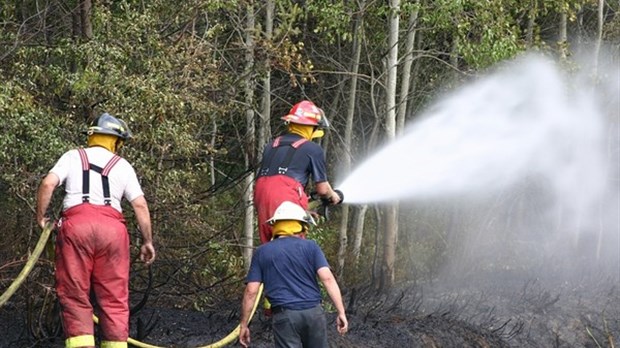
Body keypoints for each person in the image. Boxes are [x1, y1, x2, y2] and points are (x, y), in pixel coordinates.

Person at [36, 113, 155, 348]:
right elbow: (140, 204)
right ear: (116, 141)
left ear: (92, 136)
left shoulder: (72, 157)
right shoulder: (123, 165)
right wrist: (147, 241)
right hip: (113, 232)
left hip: (76, 228)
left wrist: (41, 217)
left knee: (75, 295)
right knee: (114, 299)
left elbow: (48, 183)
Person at [239, 201, 348, 348]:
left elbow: (252, 291)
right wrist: (341, 312)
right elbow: (328, 279)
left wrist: (244, 325)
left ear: (275, 226)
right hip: (314, 313)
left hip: (285, 316)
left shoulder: (262, 252)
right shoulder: (311, 247)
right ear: (301, 226)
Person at [254, 100, 342, 245]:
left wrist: (302, 213)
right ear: (312, 127)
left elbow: (273, 189)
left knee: (269, 247)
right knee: (292, 248)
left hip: (261, 194)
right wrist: (334, 196)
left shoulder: (271, 145)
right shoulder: (313, 149)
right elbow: (322, 189)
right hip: (286, 193)